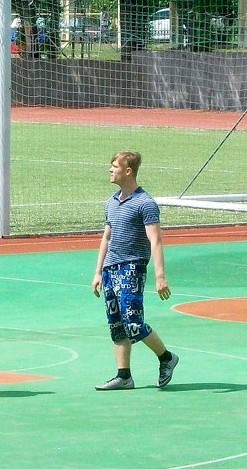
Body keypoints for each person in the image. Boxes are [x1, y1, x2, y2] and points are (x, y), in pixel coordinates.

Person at [91, 151, 178, 391]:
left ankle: (166, 357)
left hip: (132, 266)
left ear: (127, 171)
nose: (110, 170)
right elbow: (106, 238)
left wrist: (160, 276)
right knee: (116, 324)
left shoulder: (145, 203)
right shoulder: (111, 202)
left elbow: (155, 241)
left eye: (114, 166)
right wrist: (98, 272)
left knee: (134, 324)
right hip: (110, 268)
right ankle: (124, 376)